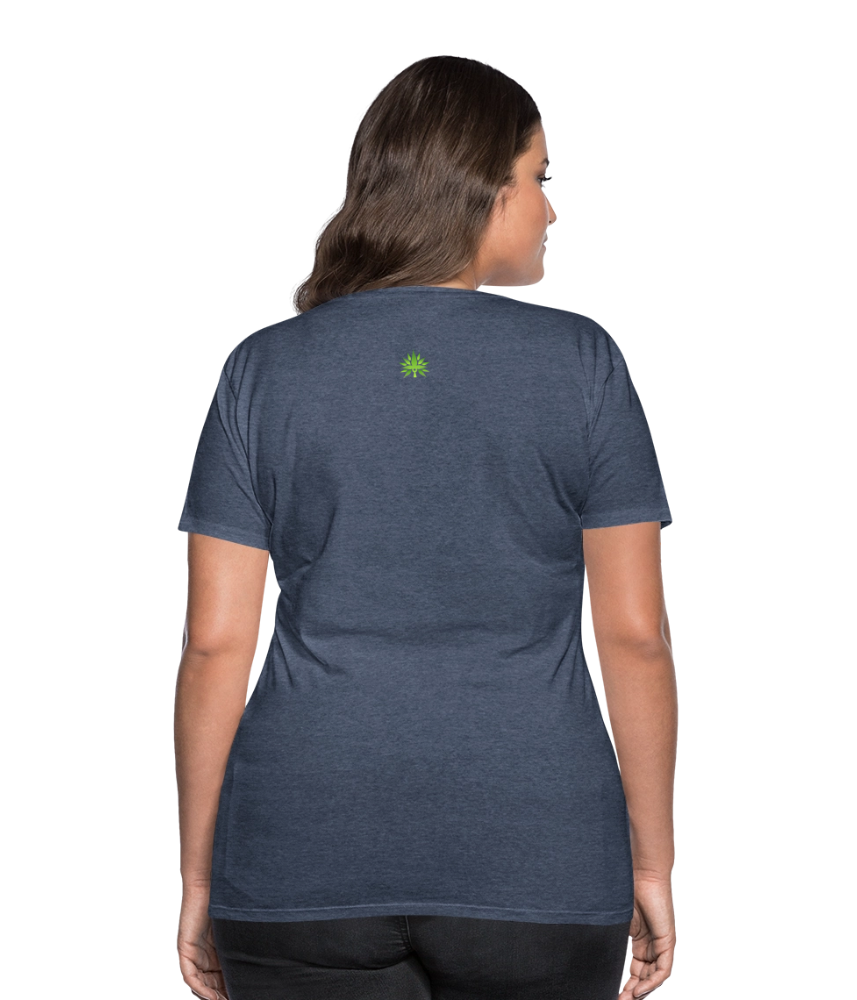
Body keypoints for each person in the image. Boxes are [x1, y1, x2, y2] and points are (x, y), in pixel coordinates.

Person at [175, 54, 676, 1000]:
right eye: (539, 177)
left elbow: (215, 645)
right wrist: (651, 867)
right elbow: (634, 637)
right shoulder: (582, 362)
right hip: (539, 866)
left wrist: (201, 878)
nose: (551, 210)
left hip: (296, 865)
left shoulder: (262, 369)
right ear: (481, 188)